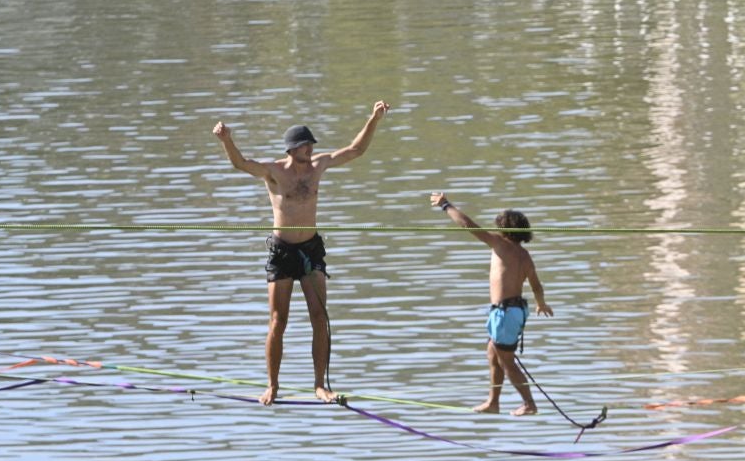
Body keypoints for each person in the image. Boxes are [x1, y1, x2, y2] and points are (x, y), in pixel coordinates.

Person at [212, 101, 389, 405]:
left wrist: (373, 119)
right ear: (292, 149)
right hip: (282, 253)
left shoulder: (318, 166)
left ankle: (320, 385)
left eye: (311, 146)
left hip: (310, 251)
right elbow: (241, 164)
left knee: (319, 317)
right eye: (305, 146)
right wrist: (227, 140)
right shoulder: (274, 172)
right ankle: (272, 385)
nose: (310, 150)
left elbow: (355, 150)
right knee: (278, 320)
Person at [428, 191, 552, 415]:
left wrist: (445, 205)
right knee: (492, 354)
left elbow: (468, 225)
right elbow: (536, 285)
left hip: (505, 313)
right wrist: (540, 303)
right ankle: (493, 402)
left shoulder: (500, 244)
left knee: (507, 361)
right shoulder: (524, 255)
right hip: (513, 311)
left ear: (505, 229)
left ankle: (529, 404)